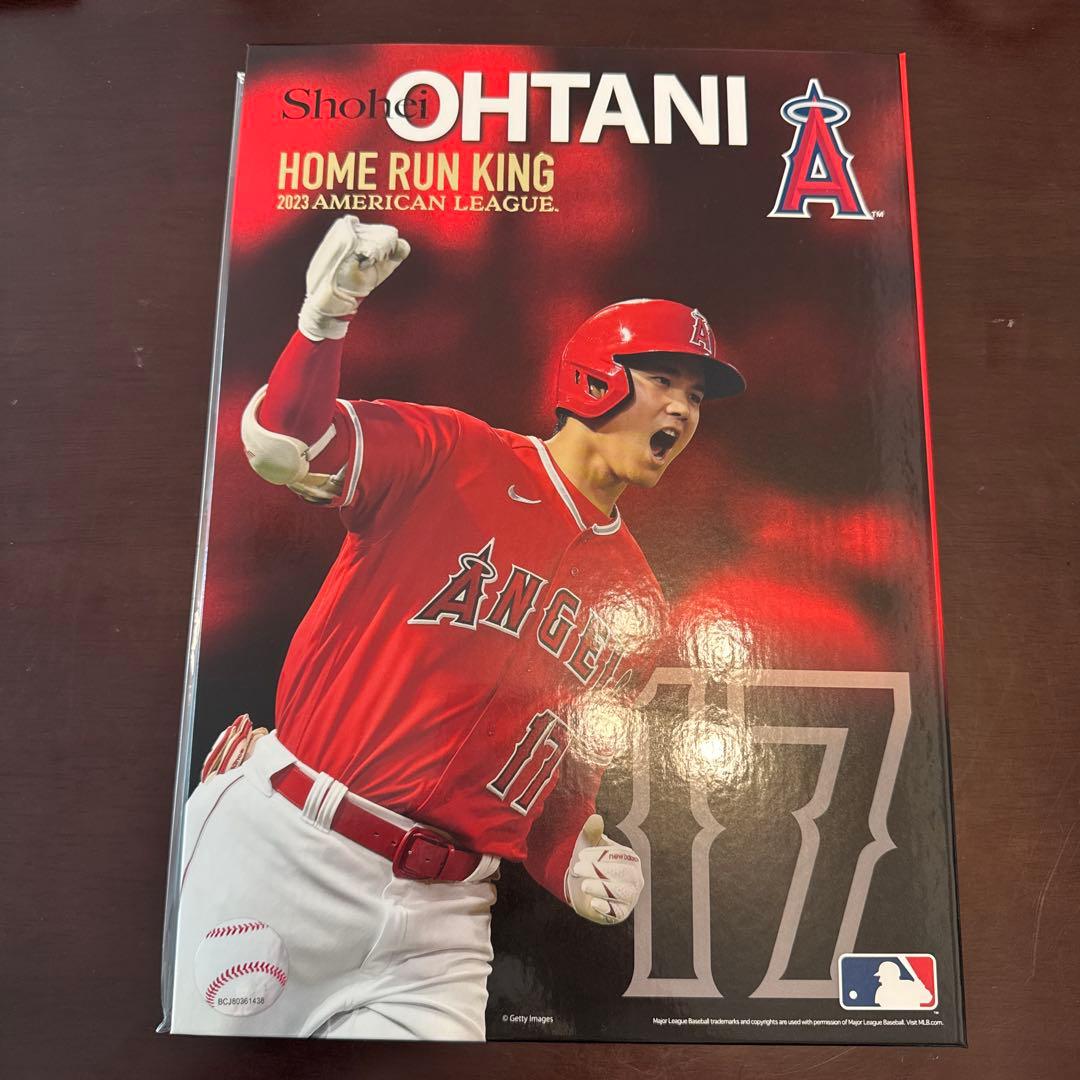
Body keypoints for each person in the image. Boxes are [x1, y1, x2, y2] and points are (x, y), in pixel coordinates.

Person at [169, 216, 745, 1040]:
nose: (684, 410)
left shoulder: (638, 606)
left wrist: (576, 854)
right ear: (597, 379)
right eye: (665, 380)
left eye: (696, 398)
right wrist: (324, 321)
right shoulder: (455, 453)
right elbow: (285, 444)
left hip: (445, 919)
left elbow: (555, 784)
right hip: (291, 846)